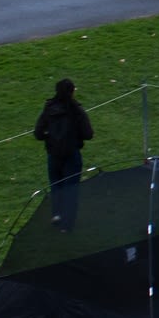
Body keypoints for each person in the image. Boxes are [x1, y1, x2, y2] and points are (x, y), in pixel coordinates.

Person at [32, 77, 95, 230]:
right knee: (71, 190)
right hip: (72, 155)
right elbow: (88, 133)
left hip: (53, 154)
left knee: (56, 186)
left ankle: (57, 214)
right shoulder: (76, 110)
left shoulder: (49, 108)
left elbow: (38, 133)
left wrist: (50, 136)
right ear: (72, 92)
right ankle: (67, 224)